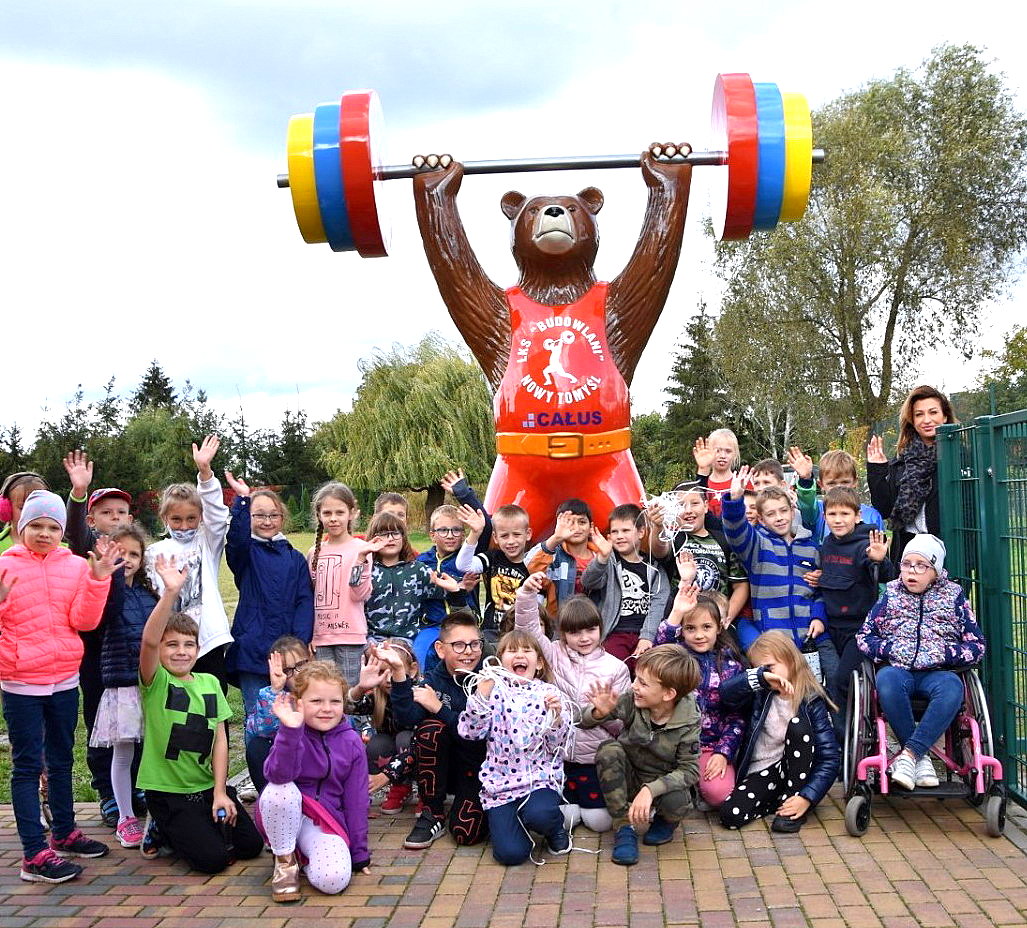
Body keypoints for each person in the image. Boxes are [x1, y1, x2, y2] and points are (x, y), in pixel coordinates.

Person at [0, 490, 121, 883]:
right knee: (27, 766)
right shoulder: (4, 566)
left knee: (62, 759)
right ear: (22, 527)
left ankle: (65, 831)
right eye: (36, 525)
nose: (45, 533)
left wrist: (99, 580)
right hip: (21, 681)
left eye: (53, 526)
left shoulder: (74, 566)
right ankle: (34, 854)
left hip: (65, 678)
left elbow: (84, 622)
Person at [137, 554, 262, 871]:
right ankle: (161, 826)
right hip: (170, 792)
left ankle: (196, 823)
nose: (181, 652)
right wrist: (170, 593)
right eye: (173, 645)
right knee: (214, 860)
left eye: (189, 645)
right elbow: (149, 641)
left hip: (206, 787)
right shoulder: (156, 681)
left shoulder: (208, 682)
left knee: (250, 846)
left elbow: (220, 740)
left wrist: (221, 792)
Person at [857, 534, 984, 790]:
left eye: (921, 565)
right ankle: (920, 758)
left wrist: (945, 654)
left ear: (935, 571)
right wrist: (890, 648)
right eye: (906, 564)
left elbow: (977, 646)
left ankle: (909, 755)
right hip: (899, 670)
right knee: (887, 680)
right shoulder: (891, 594)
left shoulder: (954, 596)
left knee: (952, 687)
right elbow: (863, 636)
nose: (911, 571)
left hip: (938, 672)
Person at [514, 574, 630, 833]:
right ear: (563, 633)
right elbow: (527, 630)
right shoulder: (553, 653)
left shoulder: (616, 668)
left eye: (590, 630)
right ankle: (568, 807)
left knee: (599, 823)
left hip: (593, 759)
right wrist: (527, 595)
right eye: (574, 632)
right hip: (556, 757)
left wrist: (605, 713)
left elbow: (623, 726)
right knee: (562, 818)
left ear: (601, 628)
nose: (584, 637)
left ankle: (582, 808)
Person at [62, 450, 138, 828]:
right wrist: (79, 493)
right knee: (98, 722)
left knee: (132, 724)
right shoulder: (86, 549)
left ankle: (132, 787)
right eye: (107, 513)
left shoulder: (135, 552)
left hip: (129, 654)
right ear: (94, 519)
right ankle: (107, 792)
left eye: (121, 513)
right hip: (94, 655)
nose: (115, 518)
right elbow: (73, 532)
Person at [258, 660, 370, 902]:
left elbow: (357, 800)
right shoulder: (290, 729)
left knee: (334, 880)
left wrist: (359, 853)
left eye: (335, 701)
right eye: (316, 701)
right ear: (299, 702)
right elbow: (277, 775)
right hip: (284, 812)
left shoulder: (351, 741)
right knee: (281, 789)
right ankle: (285, 864)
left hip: (323, 820)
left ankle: (302, 857)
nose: (326, 709)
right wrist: (290, 732)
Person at [457, 629, 572, 864]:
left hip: (539, 781)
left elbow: (559, 745)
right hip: (500, 787)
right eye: (512, 651)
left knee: (540, 814)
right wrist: (481, 696)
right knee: (511, 855)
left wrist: (557, 718)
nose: (519, 655)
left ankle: (555, 830)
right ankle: (514, 823)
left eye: (527, 650)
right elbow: (469, 732)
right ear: (500, 662)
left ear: (539, 663)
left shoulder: (549, 693)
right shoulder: (492, 692)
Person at [720, 466, 836, 698]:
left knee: (833, 678)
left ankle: (836, 730)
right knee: (784, 695)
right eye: (771, 514)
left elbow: (819, 592)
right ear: (761, 519)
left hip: (810, 635)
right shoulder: (757, 547)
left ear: (793, 511)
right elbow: (736, 532)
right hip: (776, 639)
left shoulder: (811, 548)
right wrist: (734, 501)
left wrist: (818, 616)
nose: (779, 517)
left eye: (783, 511)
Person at [582, 645, 700, 865]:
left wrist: (650, 790)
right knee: (609, 750)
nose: (634, 686)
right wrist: (599, 712)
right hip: (631, 774)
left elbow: (690, 770)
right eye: (636, 678)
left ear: (668, 694)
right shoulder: (633, 699)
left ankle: (665, 822)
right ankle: (624, 827)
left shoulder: (688, 720)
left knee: (678, 800)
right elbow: (582, 721)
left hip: (660, 783)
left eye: (643, 683)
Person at [718, 631, 840, 833]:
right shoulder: (761, 693)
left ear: (791, 661)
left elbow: (829, 757)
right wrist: (759, 678)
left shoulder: (811, 699)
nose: (766, 673)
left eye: (769, 667)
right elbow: (726, 694)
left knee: (798, 725)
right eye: (759, 669)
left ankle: (793, 801)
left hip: (799, 775)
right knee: (730, 815)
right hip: (765, 770)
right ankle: (778, 800)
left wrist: (807, 797)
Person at [223, 471, 314, 731]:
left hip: (290, 656)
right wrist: (242, 501)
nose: (266, 520)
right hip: (253, 650)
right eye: (259, 515)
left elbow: (304, 601)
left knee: (293, 716)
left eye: (272, 515)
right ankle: (259, 770)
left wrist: (298, 645)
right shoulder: (246, 554)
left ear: (282, 518)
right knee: (258, 718)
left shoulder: (294, 558)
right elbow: (236, 539)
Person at [392, 610, 489, 850]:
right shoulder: (433, 681)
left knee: (467, 834)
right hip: (442, 770)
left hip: (477, 770)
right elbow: (407, 718)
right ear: (440, 649)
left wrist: (438, 707)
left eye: (474, 644)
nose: (468, 651)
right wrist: (399, 675)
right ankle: (432, 811)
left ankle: (477, 806)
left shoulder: (488, 680)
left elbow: (476, 736)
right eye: (458, 645)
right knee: (429, 729)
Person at [88, 524, 159, 848]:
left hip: (150, 684)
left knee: (153, 751)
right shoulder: (104, 589)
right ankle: (125, 816)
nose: (127, 559)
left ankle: (157, 813)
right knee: (123, 753)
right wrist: (110, 572)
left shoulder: (148, 593)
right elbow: (111, 609)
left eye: (134, 553)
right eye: (121, 553)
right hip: (123, 685)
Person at [144, 435, 233, 690]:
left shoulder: (207, 542)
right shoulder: (154, 553)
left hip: (208, 641)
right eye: (177, 520)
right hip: (171, 644)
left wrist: (205, 473)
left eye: (192, 519)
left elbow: (217, 514)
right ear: (165, 518)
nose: (185, 526)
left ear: (200, 518)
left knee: (213, 705)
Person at [811, 487, 896, 739]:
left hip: (859, 629)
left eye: (845, 513)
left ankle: (849, 739)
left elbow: (885, 575)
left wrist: (880, 560)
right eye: (832, 514)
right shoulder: (827, 545)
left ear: (858, 516)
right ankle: (837, 736)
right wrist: (818, 577)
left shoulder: (865, 544)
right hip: (830, 626)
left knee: (841, 680)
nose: (838, 519)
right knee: (826, 682)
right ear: (824, 516)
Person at [654, 582, 746, 810]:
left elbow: (737, 717)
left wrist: (723, 753)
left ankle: (697, 784)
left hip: (708, 746)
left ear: (719, 628)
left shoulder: (732, 666)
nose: (699, 635)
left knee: (719, 795)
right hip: (671, 746)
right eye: (690, 628)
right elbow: (658, 653)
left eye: (706, 627)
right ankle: (686, 786)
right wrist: (677, 612)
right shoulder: (676, 656)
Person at [867, 385, 955, 561]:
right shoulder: (901, 462)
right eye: (919, 414)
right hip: (908, 552)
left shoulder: (959, 457)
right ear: (912, 420)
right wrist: (878, 470)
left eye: (933, 412)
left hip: (949, 551)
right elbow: (884, 509)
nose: (927, 420)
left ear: (944, 416)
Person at [307, 481, 383, 683]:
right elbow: (311, 597)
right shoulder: (313, 553)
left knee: (349, 696)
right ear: (319, 515)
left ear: (352, 513)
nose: (333, 519)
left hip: (351, 637)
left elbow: (359, 594)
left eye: (339, 512)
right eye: (327, 513)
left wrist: (360, 560)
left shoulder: (362, 549)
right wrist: (311, 635)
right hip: (321, 638)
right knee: (325, 692)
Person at [648, 482, 749, 626]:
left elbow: (741, 585)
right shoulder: (674, 539)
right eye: (681, 505)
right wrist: (657, 527)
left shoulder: (724, 540)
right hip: (681, 622)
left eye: (695, 503)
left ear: (706, 506)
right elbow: (658, 550)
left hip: (717, 623)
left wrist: (726, 618)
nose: (688, 510)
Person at [581, 503, 670, 663]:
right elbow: (589, 581)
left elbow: (658, 604)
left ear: (641, 532)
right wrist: (602, 558)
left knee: (649, 671)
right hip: (614, 632)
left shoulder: (655, 569)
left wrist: (647, 636)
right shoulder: (608, 562)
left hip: (644, 633)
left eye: (625, 530)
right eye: (614, 531)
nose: (619, 536)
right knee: (613, 669)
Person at [348, 639, 421, 814]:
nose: (388, 679)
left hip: (418, 751)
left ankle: (426, 792)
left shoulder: (420, 692)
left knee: (405, 738)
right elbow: (347, 707)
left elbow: (416, 744)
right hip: (393, 752)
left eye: (394, 670)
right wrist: (360, 687)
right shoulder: (377, 695)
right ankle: (400, 787)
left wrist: (386, 774)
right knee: (376, 743)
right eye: (382, 671)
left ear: (412, 669)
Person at [365, 510, 462, 641]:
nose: (390, 538)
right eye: (383, 534)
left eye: (395, 533)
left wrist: (459, 586)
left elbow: (448, 587)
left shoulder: (417, 570)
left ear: (403, 537)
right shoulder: (367, 570)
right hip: (371, 638)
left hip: (407, 638)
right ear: (373, 538)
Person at [414, 503, 481, 670]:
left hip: (463, 623)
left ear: (463, 534)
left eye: (456, 530)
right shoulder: (422, 562)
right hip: (432, 625)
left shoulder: (467, 561)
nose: (450, 535)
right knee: (421, 658)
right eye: (443, 530)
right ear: (432, 535)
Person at [244, 636, 312, 794]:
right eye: (288, 670)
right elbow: (259, 730)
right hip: (289, 763)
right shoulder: (278, 697)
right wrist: (275, 690)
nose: (296, 674)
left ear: (311, 659)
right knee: (256, 747)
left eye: (301, 665)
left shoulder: (325, 688)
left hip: (318, 759)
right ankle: (271, 801)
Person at [455, 503, 533, 642]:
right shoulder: (492, 558)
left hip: (522, 633)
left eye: (516, 535)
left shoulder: (532, 564)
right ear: (495, 538)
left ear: (528, 534)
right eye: (504, 536)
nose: (511, 541)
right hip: (492, 631)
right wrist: (475, 533)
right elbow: (463, 565)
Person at [786, 447, 885, 545]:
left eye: (845, 482)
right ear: (821, 485)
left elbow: (881, 553)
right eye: (832, 484)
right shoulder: (817, 512)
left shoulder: (872, 515)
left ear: (855, 482)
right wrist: (806, 479)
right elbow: (807, 504)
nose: (839, 488)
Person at [524, 499, 600, 618]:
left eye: (582, 522)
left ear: (591, 526)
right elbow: (528, 568)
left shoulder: (600, 557)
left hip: (594, 626)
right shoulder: (554, 558)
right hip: (560, 627)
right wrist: (555, 538)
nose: (576, 527)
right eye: (569, 522)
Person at [692, 430, 739, 518]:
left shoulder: (743, 483)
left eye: (728, 451)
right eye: (717, 451)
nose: (723, 456)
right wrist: (703, 468)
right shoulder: (701, 484)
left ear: (735, 454)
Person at [0, 471, 49, 552]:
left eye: (38, 508)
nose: (31, 514)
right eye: (23, 508)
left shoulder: (59, 548)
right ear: (6, 509)